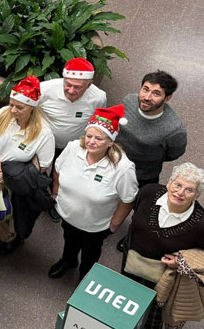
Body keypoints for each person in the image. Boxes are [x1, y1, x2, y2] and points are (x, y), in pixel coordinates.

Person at [122, 162, 204, 329]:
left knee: (155, 308)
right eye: (178, 185)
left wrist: (180, 262)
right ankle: (122, 324)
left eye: (189, 190)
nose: (180, 193)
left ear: (197, 196)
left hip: (164, 274)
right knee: (126, 296)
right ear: (168, 183)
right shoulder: (149, 192)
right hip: (132, 262)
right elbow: (136, 216)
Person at [48, 106, 138, 281]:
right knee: (69, 240)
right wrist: (56, 193)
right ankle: (68, 261)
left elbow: (128, 199)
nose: (91, 142)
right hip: (68, 214)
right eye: (89, 136)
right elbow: (57, 170)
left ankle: (85, 275)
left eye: (99, 138)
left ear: (111, 141)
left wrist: (115, 224)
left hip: (96, 225)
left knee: (91, 251)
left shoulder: (123, 168)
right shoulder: (73, 148)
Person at [0, 76, 57, 256]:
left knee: (20, 213)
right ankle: (1, 229)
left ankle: (17, 237)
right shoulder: (3, 114)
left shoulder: (44, 133)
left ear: (32, 108)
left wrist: (14, 176)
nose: (13, 110)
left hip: (20, 180)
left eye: (20, 107)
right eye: (11, 104)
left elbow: (43, 167)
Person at [116, 70, 188, 189]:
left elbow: (173, 154)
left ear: (167, 98)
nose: (147, 97)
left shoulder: (174, 130)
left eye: (156, 94)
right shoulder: (128, 101)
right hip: (113, 162)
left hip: (141, 176)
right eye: (145, 89)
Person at [39, 58, 108, 153]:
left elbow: (98, 122)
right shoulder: (44, 89)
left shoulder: (98, 97)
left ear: (89, 85)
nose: (71, 91)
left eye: (77, 87)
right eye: (68, 84)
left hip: (76, 148)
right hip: (43, 144)